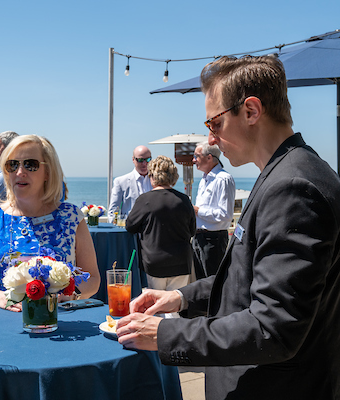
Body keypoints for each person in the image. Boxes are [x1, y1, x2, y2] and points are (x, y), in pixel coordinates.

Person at [116, 55, 340, 399]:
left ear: (251, 111)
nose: (211, 139)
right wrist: (179, 297)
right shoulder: (287, 172)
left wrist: (165, 335)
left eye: (214, 123)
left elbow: (273, 328)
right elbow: (245, 275)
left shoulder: (293, 186)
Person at [0, 135, 100, 310]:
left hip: (58, 323)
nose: (20, 172)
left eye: (30, 164)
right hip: (2, 321)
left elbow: (92, 279)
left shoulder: (71, 217)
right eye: (12, 165)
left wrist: (67, 294)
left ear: (48, 172)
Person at [125, 155, 195, 295]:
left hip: (154, 261)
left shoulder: (145, 200)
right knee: (174, 306)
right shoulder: (184, 200)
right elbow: (192, 230)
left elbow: (130, 225)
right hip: (181, 261)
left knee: (156, 307)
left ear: (152, 176)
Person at [192, 141, 235, 279]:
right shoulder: (205, 179)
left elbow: (225, 215)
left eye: (196, 156)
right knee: (199, 282)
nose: (193, 160)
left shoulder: (223, 179)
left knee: (212, 283)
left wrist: (197, 211)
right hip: (199, 237)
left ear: (209, 157)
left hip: (213, 240)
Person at [107, 145, 153, 222]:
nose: (144, 163)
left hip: (152, 229)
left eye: (148, 159)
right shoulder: (121, 181)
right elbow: (113, 210)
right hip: (130, 229)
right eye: (140, 160)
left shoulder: (157, 180)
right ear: (133, 159)